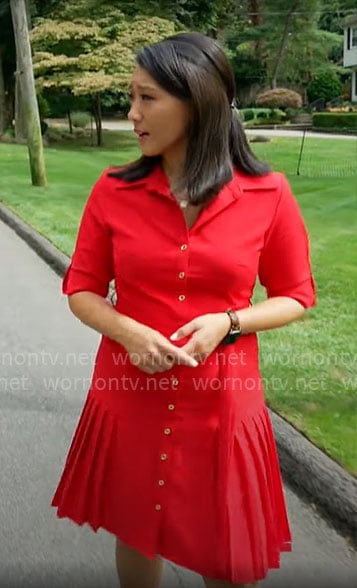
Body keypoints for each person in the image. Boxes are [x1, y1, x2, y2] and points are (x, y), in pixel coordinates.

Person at [52, 32, 316, 588]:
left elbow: (296, 296)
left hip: (223, 399)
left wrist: (230, 321)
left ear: (196, 101)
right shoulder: (112, 191)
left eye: (147, 98)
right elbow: (81, 288)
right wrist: (127, 331)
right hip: (132, 391)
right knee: (136, 529)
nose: (133, 113)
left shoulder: (268, 194)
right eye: (132, 97)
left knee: (226, 552)